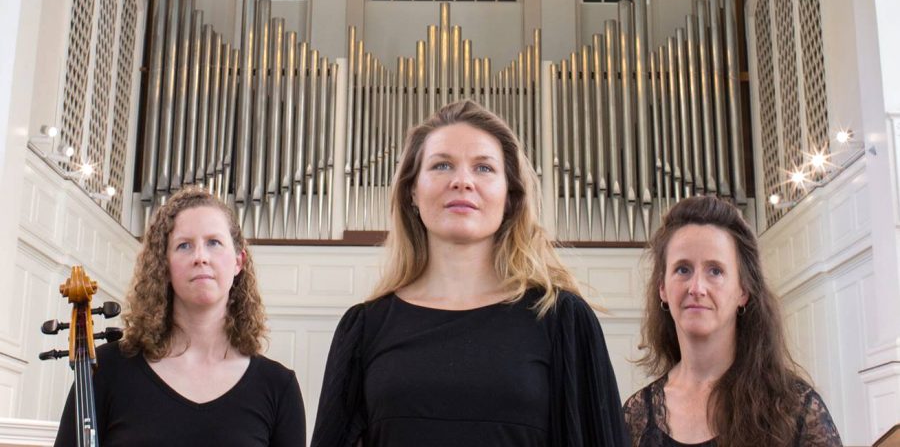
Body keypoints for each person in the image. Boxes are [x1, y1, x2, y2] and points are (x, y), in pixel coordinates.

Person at [312, 100, 628, 447]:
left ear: (510, 197)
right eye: (442, 165)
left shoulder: (562, 321)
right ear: (412, 192)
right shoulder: (364, 328)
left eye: (483, 168)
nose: (462, 181)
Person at [54, 186, 305, 447]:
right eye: (184, 245)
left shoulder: (278, 387)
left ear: (238, 262)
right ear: (164, 264)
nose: (200, 257)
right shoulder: (106, 370)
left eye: (214, 243)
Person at [623, 195, 842, 447]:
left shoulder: (796, 408)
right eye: (683, 269)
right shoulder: (636, 415)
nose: (697, 287)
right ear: (662, 288)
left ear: (743, 291)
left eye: (715, 270)